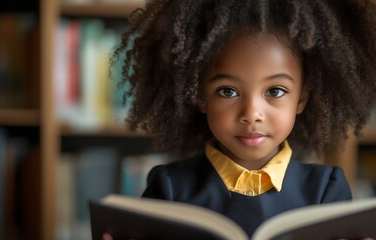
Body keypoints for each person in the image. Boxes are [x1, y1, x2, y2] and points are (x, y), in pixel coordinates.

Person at [107, 0, 376, 238]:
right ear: (200, 96)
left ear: (301, 99)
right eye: (228, 91)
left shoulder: (326, 191)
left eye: (275, 91)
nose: (251, 114)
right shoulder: (168, 188)